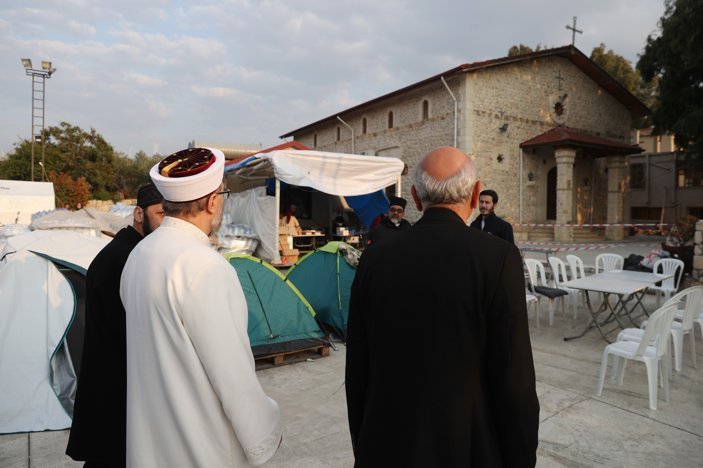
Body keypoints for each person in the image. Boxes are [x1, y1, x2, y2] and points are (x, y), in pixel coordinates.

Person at [346, 147, 539, 467]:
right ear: (477, 195)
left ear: (416, 198)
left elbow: (358, 366)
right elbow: (513, 376)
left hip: (385, 442)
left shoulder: (374, 258)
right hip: (464, 446)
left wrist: (364, 443)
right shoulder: (498, 259)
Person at [120, 147, 281, 467]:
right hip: (201, 447)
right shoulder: (205, 266)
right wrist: (264, 434)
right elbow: (232, 375)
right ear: (211, 201)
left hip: (151, 440)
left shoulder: (139, 255)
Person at [66, 183, 164, 467]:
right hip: (115, 384)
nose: (163, 223)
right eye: (159, 214)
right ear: (138, 213)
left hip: (111, 383)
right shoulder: (127, 257)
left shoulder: (128, 248)